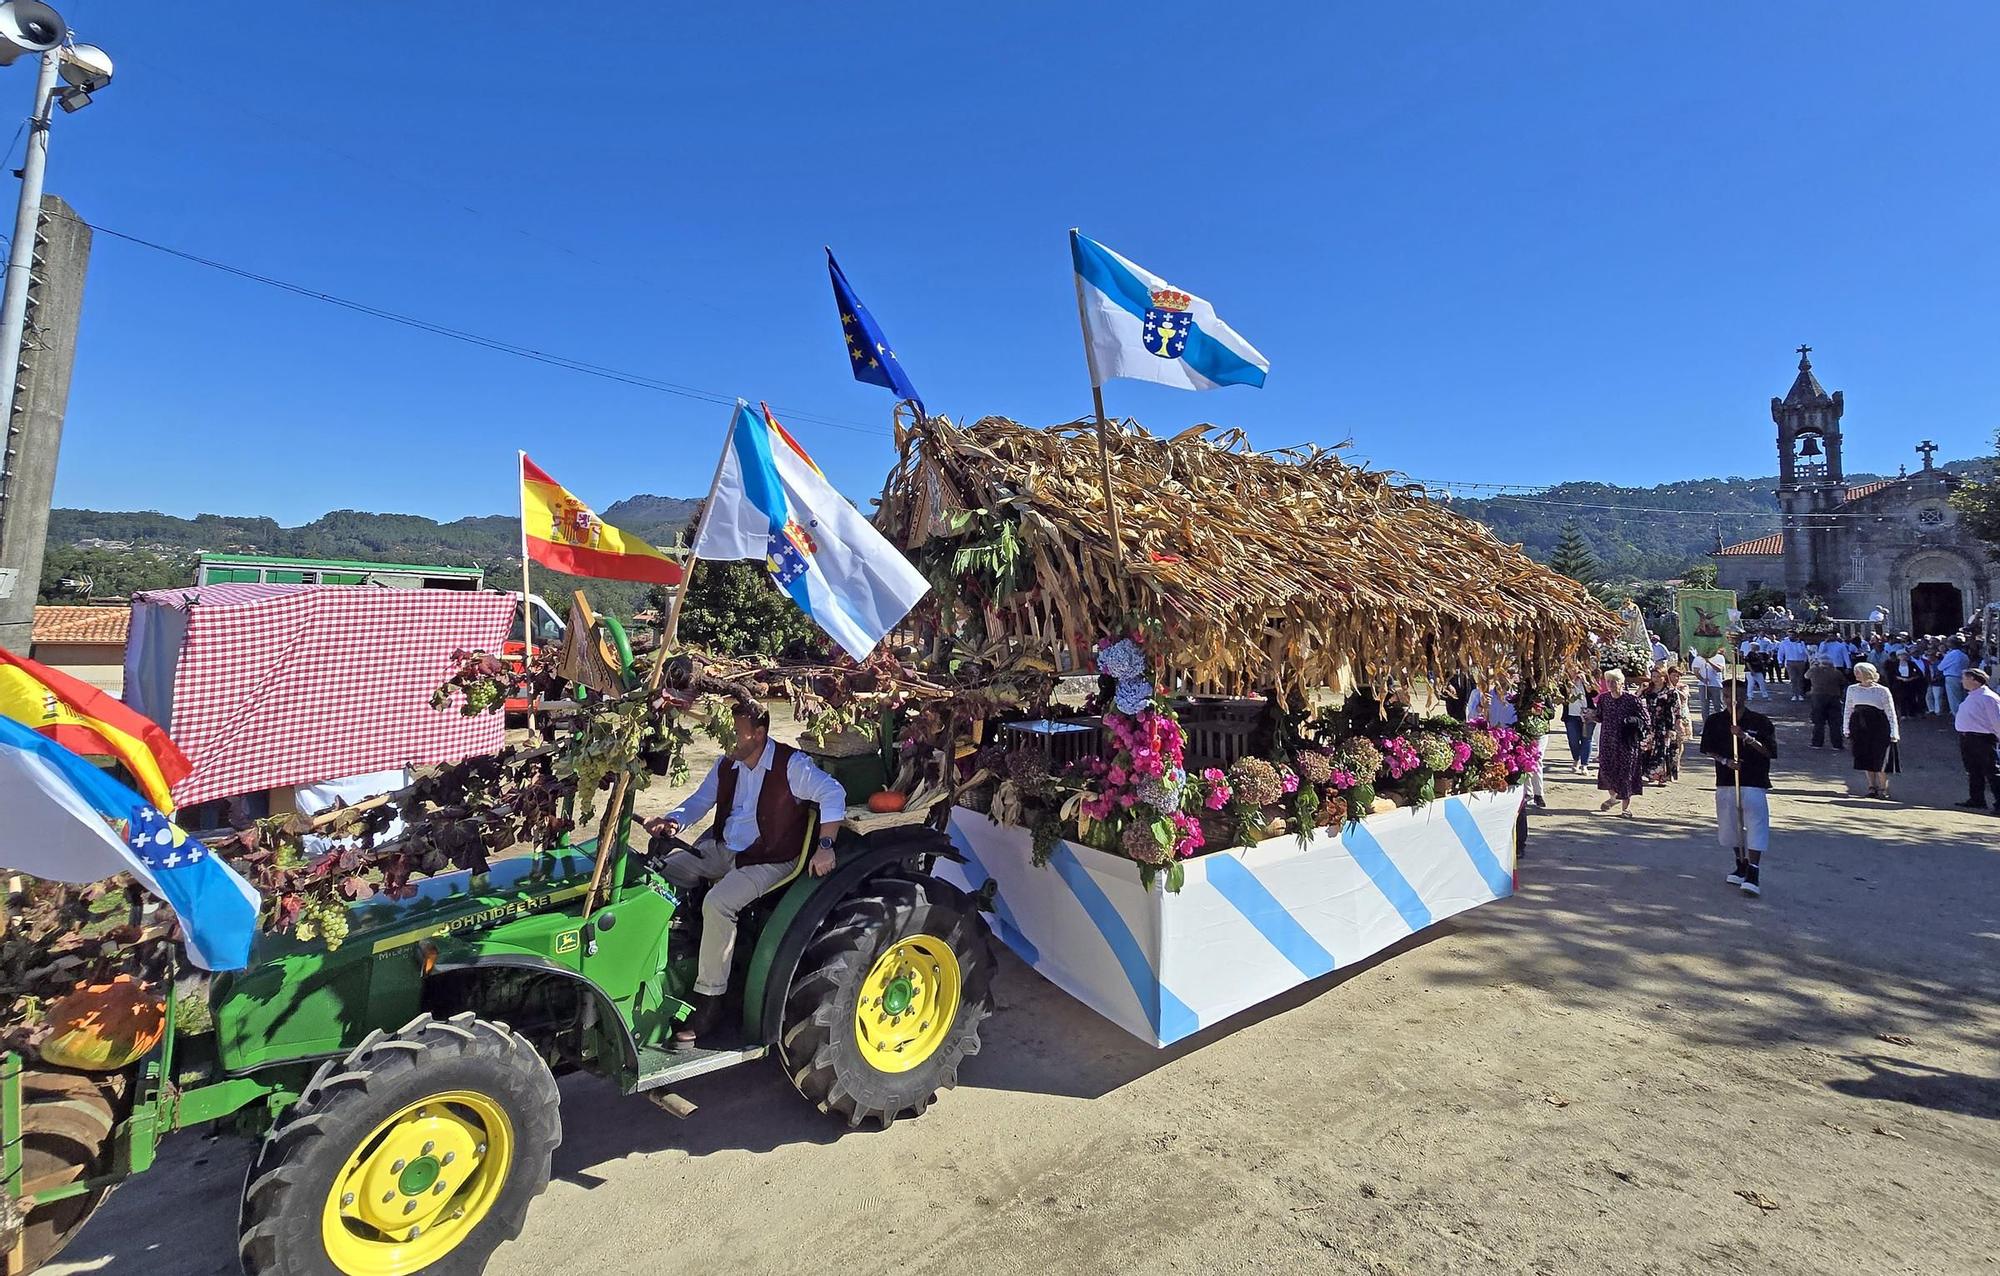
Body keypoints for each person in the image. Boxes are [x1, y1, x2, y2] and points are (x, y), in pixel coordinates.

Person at [643, 704, 847, 1044]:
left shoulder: (791, 765)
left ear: (759, 733)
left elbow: (833, 792)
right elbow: (700, 801)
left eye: (735, 732)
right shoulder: (727, 763)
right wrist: (673, 820)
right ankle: (668, 960)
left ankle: (710, 999)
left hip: (770, 859)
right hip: (724, 849)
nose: (728, 739)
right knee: (658, 876)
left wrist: (826, 845)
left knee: (719, 903)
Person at [1701, 679, 1777, 897]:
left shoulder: (1760, 721)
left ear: (1744, 696)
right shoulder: (1715, 721)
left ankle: (1754, 871)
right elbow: (1708, 749)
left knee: (1756, 824)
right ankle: (1740, 863)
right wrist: (1725, 761)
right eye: (1726, 697)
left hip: (1754, 779)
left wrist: (1746, 738)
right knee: (1729, 826)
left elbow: (1770, 751)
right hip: (1726, 780)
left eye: (1735, 697)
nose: (1730, 701)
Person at [1843, 662, 1901, 800]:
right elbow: (1848, 709)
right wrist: (1846, 727)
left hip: (1879, 726)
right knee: (1865, 757)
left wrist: (1894, 732)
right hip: (1859, 726)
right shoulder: (1852, 689)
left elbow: (1890, 712)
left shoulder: (1882, 690)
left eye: (1858, 672)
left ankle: (1883, 788)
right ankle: (1871, 787)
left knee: (1880, 758)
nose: (1855, 674)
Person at [1594, 668, 1648, 816]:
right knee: (1606, 770)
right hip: (1607, 741)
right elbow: (1599, 717)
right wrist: (1589, 715)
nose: (1611, 684)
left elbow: (1645, 719)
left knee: (1626, 774)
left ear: (1622, 683)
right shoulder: (1604, 699)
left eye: (1614, 681)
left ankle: (1626, 808)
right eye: (1609, 681)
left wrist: (1632, 722)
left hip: (1627, 743)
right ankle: (1614, 797)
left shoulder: (1632, 700)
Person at [1952, 668, 2000, 812]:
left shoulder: (1988, 697)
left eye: (1965, 678)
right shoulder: (1973, 695)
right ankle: (1977, 798)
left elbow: (1996, 720)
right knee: (1973, 770)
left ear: (1974, 679)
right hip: (1969, 737)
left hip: (1983, 738)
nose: (1962, 681)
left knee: (1992, 771)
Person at [1805, 657, 1847, 749]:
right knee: (1835, 723)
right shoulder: (1836, 673)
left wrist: (1812, 666)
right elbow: (1843, 682)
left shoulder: (1814, 671)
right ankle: (1837, 744)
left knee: (1818, 722)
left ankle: (1817, 743)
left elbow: (1806, 676)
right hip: (1834, 697)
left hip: (1818, 697)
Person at [1563, 676, 1596, 774]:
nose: (1575, 673)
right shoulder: (1565, 681)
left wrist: (1585, 681)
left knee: (1587, 739)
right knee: (1573, 740)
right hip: (1571, 715)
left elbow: (1595, 693)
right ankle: (1576, 759)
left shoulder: (1588, 679)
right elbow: (1562, 694)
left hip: (1588, 714)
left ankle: (1584, 764)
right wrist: (1570, 683)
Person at [1939, 638, 1973, 715]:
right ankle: (1965, 716)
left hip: (1952, 677)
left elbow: (1940, 667)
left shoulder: (1951, 654)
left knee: (1954, 699)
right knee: (1963, 698)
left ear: (1951, 644)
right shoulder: (1964, 655)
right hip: (1963, 677)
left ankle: (1957, 718)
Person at [1779, 632, 1809, 700]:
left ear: (1796, 636)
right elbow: (1781, 652)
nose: (1791, 636)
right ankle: (1794, 694)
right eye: (1789, 635)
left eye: (1792, 635)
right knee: (1793, 679)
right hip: (1790, 662)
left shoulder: (1801, 643)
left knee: (1800, 678)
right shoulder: (1784, 643)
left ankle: (1800, 694)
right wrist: (1780, 661)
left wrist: (1798, 644)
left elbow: (1803, 652)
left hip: (1800, 662)